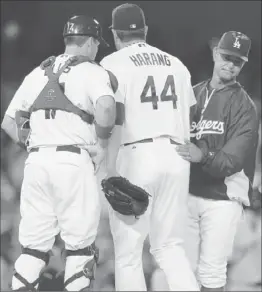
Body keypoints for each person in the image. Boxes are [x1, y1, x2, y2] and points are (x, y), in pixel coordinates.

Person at [1, 15, 117, 291]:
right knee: (79, 250)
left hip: (36, 164)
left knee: (32, 250)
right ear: (89, 42)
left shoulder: (38, 72)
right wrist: (101, 145)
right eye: (96, 44)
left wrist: (34, 145)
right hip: (72, 161)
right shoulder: (92, 71)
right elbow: (106, 108)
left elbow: (7, 122)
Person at [100, 3, 200, 291]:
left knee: (129, 254)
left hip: (137, 154)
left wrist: (108, 167)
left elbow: (112, 116)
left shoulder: (112, 63)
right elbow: (190, 114)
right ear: (145, 31)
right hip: (176, 155)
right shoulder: (176, 63)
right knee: (170, 247)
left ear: (116, 35)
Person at [176, 31, 259, 291]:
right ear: (215, 54)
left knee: (211, 274)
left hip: (222, 199)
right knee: (181, 271)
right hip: (188, 194)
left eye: (237, 60)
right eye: (226, 57)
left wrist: (202, 154)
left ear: (243, 64)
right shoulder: (192, 95)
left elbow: (232, 160)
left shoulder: (245, 106)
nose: (230, 64)